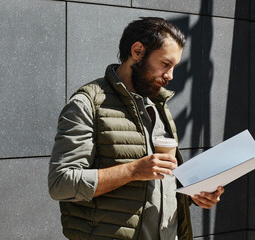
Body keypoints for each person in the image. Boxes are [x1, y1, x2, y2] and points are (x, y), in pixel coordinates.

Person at [48, 17, 224, 240]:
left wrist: (192, 194)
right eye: (165, 64)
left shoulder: (157, 105)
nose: (170, 76)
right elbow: (60, 183)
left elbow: (157, 184)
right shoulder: (88, 104)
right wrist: (133, 171)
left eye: (174, 67)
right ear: (138, 51)